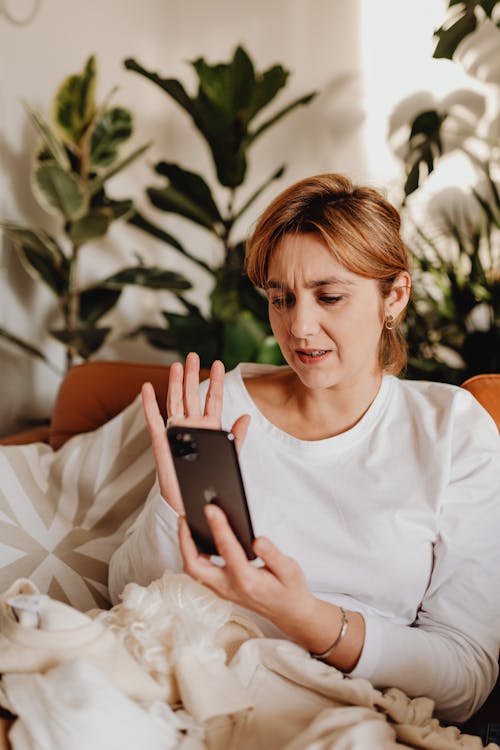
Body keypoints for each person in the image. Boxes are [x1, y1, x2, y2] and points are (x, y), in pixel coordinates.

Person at [109, 173, 500, 724]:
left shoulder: (453, 431)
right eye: (281, 298)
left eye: (330, 296)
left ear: (396, 296)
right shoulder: (217, 406)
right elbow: (129, 596)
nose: (299, 326)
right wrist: (171, 506)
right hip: (186, 686)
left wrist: (306, 617)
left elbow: (466, 677)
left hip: (342, 713)